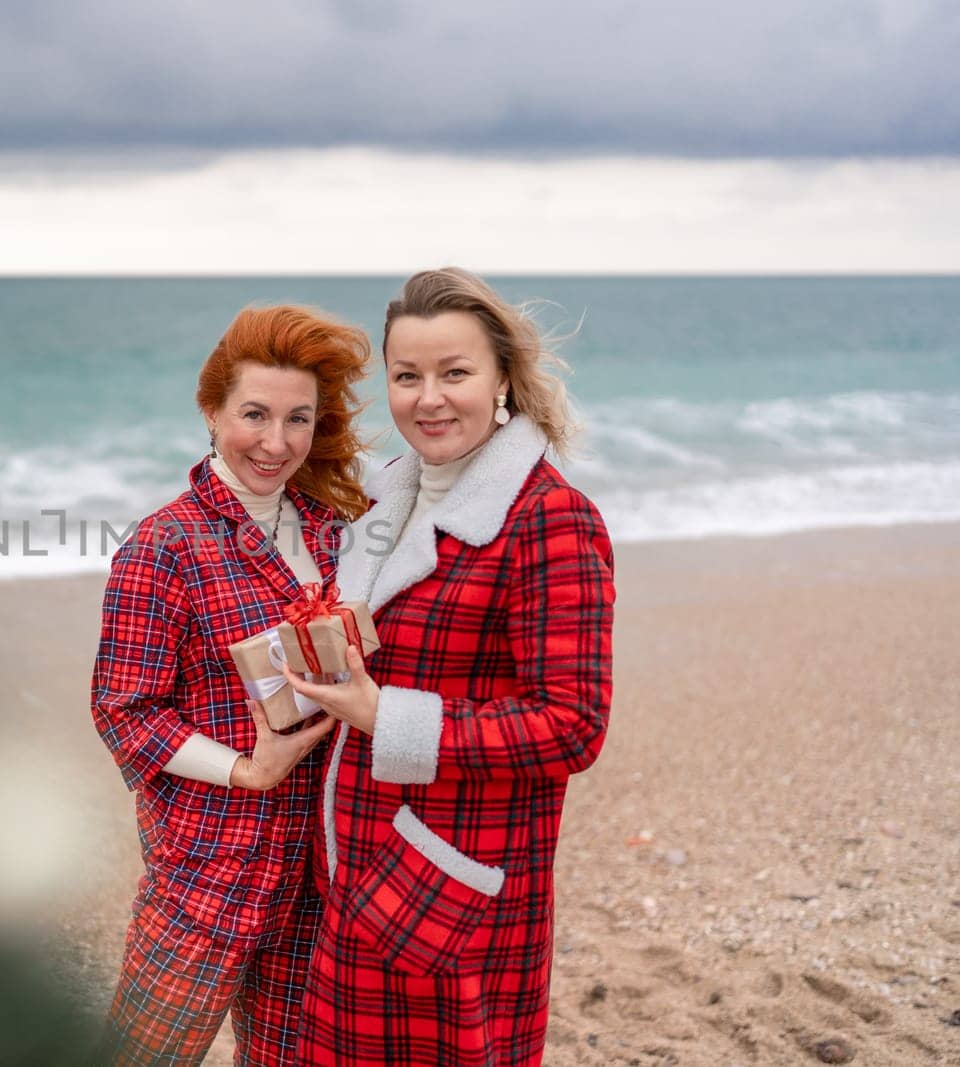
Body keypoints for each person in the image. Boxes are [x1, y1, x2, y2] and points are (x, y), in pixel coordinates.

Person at [283, 268, 615, 1065]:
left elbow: (572, 726)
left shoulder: (550, 518)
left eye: (454, 373)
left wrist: (383, 715)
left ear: (503, 377)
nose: (428, 398)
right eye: (407, 376)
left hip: (454, 886)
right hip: (355, 863)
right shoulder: (386, 498)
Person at [91, 305, 371, 1066]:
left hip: (315, 871)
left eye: (298, 419)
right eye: (254, 414)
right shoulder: (164, 544)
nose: (275, 443)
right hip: (212, 869)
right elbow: (123, 710)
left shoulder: (331, 529)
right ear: (211, 411)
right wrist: (247, 768)